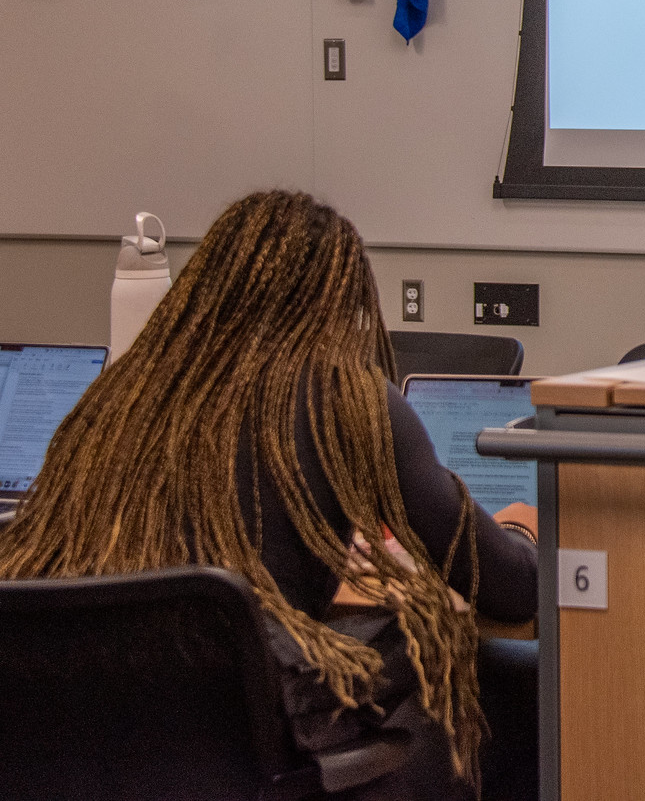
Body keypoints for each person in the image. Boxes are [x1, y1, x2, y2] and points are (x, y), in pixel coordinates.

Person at [0, 190, 538, 799]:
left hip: (74, 729)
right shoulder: (346, 395)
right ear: (338, 301)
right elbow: (511, 590)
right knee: (450, 645)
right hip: (231, 729)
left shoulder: (122, 392)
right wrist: (519, 533)